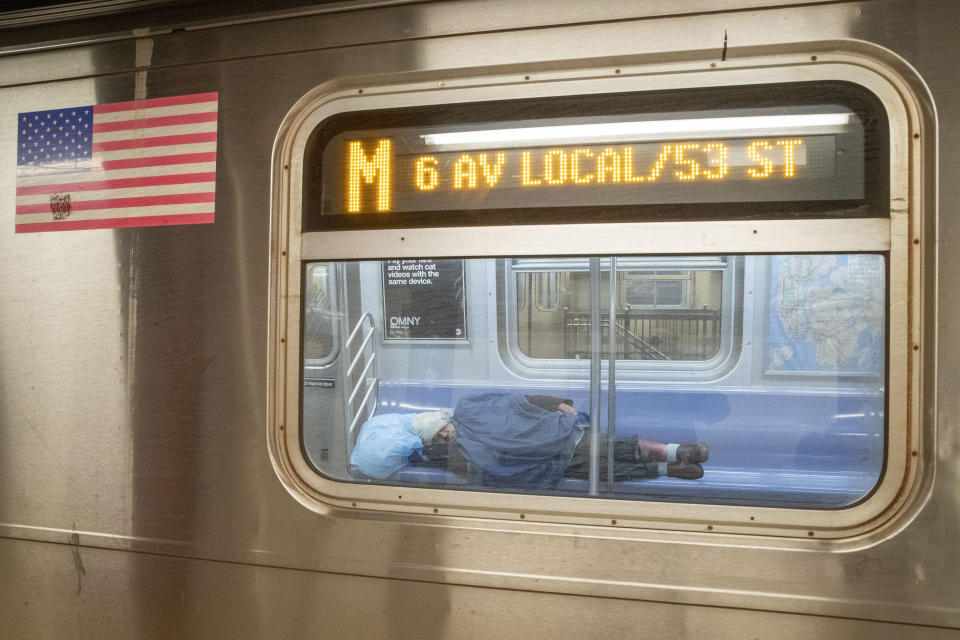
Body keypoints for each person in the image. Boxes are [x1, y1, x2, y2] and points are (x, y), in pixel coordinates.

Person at [351, 391, 709, 490]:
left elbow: (516, 402)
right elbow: (482, 469)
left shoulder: (471, 409)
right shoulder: (453, 453)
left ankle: (678, 450)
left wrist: (557, 404)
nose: (448, 435)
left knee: (612, 447)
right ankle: (668, 469)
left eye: (445, 429)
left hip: (558, 438)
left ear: (445, 420)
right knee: (605, 473)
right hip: (550, 461)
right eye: (441, 437)